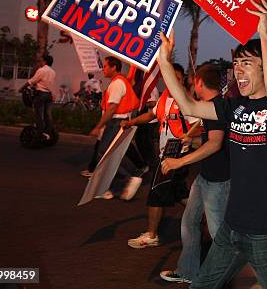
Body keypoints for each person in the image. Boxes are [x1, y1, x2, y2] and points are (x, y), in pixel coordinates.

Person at [156, 0, 267, 289]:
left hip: (266, 233)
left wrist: (263, 33)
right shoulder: (233, 105)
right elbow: (188, 106)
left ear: (266, 67)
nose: (238, 69)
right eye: (236, 63)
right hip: (230, 229)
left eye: (247, 63)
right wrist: (163, 61)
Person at [159, 64, 230, 284]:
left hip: (218, 181)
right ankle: (189, 271)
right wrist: (193, 140)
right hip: (205, 178)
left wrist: (179, 161)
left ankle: (219, 280)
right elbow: (212, 140)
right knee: (189, 222)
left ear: (199, 82)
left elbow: (215, 144)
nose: (191, 85)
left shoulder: (217, 107)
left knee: (219, 234)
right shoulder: (212, 106)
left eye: (192, 81)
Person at [122, 63, 195, 248]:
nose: (173, 81)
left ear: (183, 79)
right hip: (165, 154)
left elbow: (199, 125)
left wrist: (189, 138)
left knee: (156, 193)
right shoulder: (164, 97)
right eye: (171, 77)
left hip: (176, 157)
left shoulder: (186, 99)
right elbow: (150, 116)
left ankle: (151, 235)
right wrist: (131, 122)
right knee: (179, 193)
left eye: (177, 78)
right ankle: (208, 217)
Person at [86, 56, 142, 199]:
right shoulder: (119, 81)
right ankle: (108, 188)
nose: (103, 69)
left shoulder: (117, 83)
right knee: (108, 154)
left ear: (114, 67)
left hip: (117, 122)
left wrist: (99, 126)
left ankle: (131, 175)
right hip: (118, 122)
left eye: (105, 66)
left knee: (106, 153)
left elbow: (112, 109)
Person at [22, 54, 56, 139]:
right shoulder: (53, 72)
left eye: (41, 61)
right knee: (47, 114)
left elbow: (31, 81)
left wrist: (21, 88)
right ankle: (48, 131)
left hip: (41, 94)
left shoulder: (41, 70)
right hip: (49, 95)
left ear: (45, 61)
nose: (40, 62)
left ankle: (40, 131)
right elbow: (48, 83)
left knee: (38, 113)